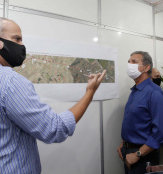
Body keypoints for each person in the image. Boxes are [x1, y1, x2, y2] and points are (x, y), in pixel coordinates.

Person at [0, 18, 106, 173]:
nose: (22, 45)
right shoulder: (10, 82)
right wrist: (90, 93)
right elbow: (55, 129)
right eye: (16, 39)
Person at [117, 51, 163, 174]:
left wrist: (138, 154)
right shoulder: (135, 91)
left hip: (143, 155)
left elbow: (160, 132)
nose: (130, 64)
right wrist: (124, 143)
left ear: (146, 67)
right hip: (128, 151)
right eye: (129, 62)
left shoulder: (154, 92)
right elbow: (134, 121)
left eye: (134, 62)